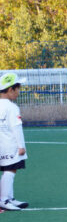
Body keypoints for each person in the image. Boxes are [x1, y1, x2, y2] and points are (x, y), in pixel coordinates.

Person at [0, 73, 29, 211]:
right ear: (11, 89)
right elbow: (16, 127)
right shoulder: (12, 107)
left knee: (7, 170)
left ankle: (9, 198)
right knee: (10, 170)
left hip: (2, 145)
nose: (19, 92)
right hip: (10, 145)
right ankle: (4, 199)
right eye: (18, 89)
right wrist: (21, 146)